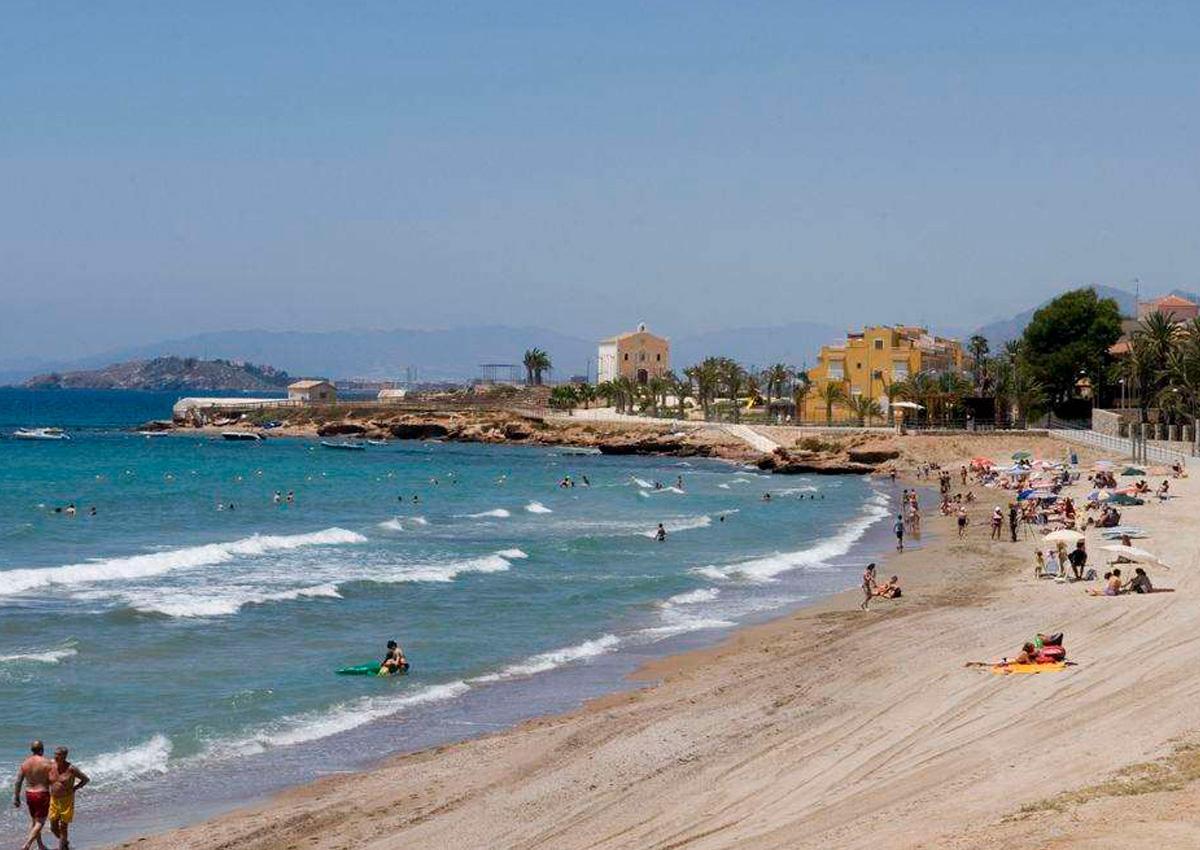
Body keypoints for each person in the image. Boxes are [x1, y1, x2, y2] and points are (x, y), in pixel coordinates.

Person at [47, 746, 88, 850]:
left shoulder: (71, 769)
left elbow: (85, 779)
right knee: (53, 827)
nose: (55, 756)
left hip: (67, 800)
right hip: (54, 799)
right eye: (55, 754)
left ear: (65, 756)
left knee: (63, 827)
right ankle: (65, 843)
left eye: (58, 755)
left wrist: (75, 788)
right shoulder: (51, 765)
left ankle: (62, 847)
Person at [13, 740, 51, 850]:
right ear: (42, 750)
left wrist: (16, 797)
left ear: (32, 750)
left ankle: (40, 845)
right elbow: (53, 779)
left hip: (29, 794)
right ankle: (27, 844)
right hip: (42, 794)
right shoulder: (47, 762)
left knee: (35, 821)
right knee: (40, 822)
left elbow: (18, 781)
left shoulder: (25, 763)